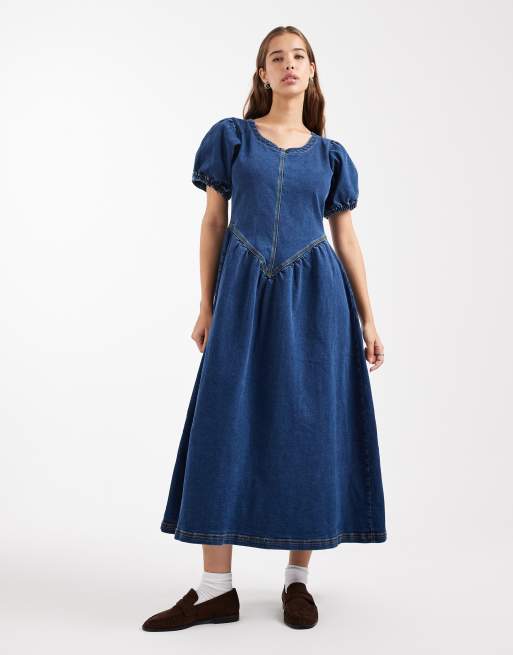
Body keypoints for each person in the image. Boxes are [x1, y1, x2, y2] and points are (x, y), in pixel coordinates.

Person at [142, 24, 386, 632]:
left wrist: (369, 317)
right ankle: (214, 590)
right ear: (262, 73)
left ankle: (297, 581)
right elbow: (212, 223)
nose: (288, 65)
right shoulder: (231, 139)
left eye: (299, 56)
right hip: (242, 296)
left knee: (309, 426)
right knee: (223, 421)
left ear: (312, 69)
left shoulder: (331, 156)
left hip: (317, 301)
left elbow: (346, 239)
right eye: (277, 57)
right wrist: (206, 305)